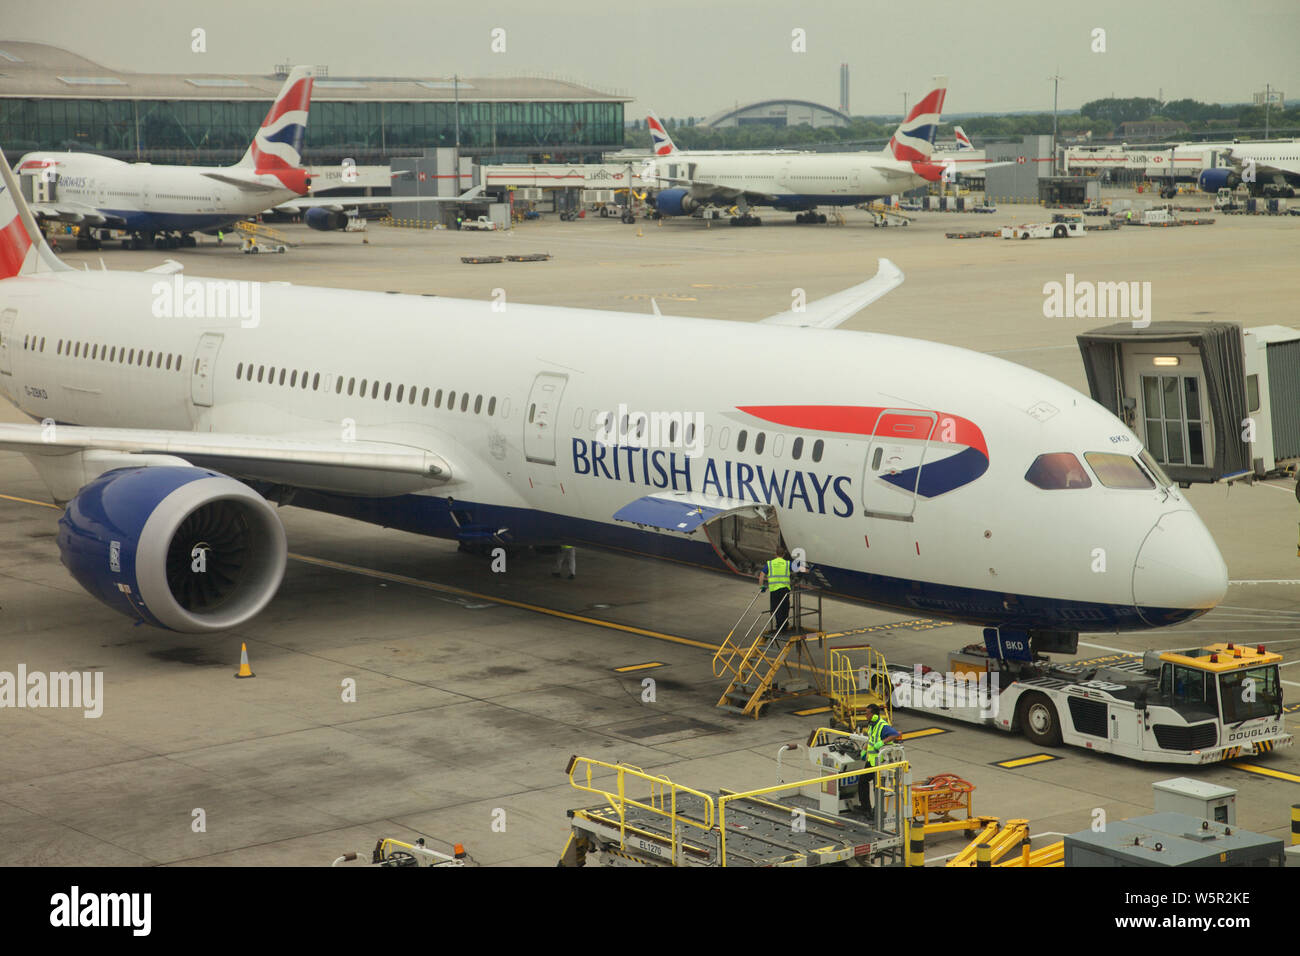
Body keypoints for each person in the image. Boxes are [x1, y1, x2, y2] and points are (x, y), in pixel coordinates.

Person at [856, 703, 902, 817]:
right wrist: (864, 750)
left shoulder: (882, 725)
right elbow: (871, 739)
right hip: (872, 760)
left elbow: (895, 734)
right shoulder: (872, 724)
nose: (866, 716)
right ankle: (867, 808)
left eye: (867, 713)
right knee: (863, 782)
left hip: (880, 761)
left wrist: (881, 743)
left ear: (874, 715)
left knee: (876, 787)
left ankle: (875, 811)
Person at [757, 549, 792, 634]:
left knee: (776, 608)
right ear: (784, 554)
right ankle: (784, 626)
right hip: (785, 589)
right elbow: (800, 569)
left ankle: (779, 627)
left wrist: (761, 586)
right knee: (785, 607)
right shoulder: (787, 563)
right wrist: (810, 570)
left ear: (775, 554)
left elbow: (761, 575)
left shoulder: (770, 564)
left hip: (774, 590)